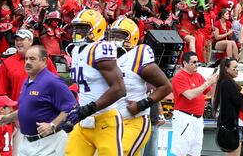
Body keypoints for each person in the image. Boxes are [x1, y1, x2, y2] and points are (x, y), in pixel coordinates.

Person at [64, 9, 127, 156]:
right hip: (83, 121)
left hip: (105, 121)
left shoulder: (100, 49)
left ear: (97, 28)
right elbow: (84, 87)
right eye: (76, 27)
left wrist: (86, 109)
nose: (77, 31)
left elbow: (119, 89)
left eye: (83, 28)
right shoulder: (75, 50)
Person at [107, 18, 173, 156]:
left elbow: (165, 86)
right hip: (110, 121)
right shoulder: (105, 55)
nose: (114, 39)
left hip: (132, 120)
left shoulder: (137, 55)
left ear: (132, 36)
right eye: (112, 35)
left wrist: (142, 104)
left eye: (120, 35)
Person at [0, 45, 76, 156]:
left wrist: (52, 125)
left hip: (49, 143)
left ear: (44, 61)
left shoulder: (53, 82)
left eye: (32, 59)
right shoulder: (27, 82)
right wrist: (7, 118)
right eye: (26, 58)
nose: (27, 62)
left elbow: (71, 107)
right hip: (26, 143)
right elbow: (27, 109)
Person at [171, 51, 219, 156]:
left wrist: (214, 82)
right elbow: (189, 95)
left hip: (198, 118)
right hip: (184, 117)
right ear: (185, 63)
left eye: (197, 62)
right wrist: (207, 83)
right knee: (181, 151)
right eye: (194, 62)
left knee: (195, 151)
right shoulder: (179, 77)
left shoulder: (198, 76)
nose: (197, 64)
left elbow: (210, 93)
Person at [0, 29, 57, 101]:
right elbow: (1, 93)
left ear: (31, 41)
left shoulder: (43, 60)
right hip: (17, 110)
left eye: (22, 39)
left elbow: (56, 86)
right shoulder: (7, 63)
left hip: (41, 110)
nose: (18, 42)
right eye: (16, 40)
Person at [213, 57, 243, 155]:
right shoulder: (226, 82)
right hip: (230, 126)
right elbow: (238, 100)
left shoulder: (230, 82)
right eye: (234, 68)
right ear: (226, 69)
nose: (237, 70)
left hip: (234, 125)